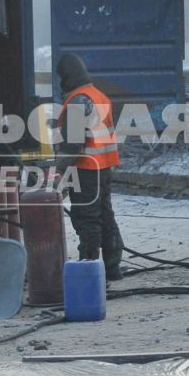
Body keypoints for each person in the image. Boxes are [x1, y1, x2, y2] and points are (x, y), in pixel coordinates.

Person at [55, 52, 125, 276]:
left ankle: (89, 267)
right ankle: (112, 266)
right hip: (104, 166)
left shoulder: (78, 100)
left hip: (86, 168)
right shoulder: (98, 95)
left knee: (87, 217)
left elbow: (73, 143)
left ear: (65, 76)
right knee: (105, 214)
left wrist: (60, 172)